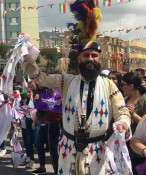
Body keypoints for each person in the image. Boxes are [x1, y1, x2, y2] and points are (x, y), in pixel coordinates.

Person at [20, 41, 131, 174]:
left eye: (94, 55)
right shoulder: (66, 80)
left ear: (99, 59)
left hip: (97, 151)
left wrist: (123, 122)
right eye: (86, 55)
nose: (90, 58)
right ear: (79, 59)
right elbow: (41, 78)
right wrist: (27, 58)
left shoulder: (109, 85)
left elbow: (121, 109)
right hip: (68, 148)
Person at [121, 72, 146, 174]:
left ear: (131, 86)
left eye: (123, 85)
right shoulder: (123, 100)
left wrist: (133, 115)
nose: (121, 88)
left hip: (139, 150)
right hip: (125, 147)